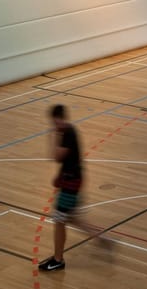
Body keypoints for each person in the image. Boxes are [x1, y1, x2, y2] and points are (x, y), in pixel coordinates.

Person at [38, 104, 104, 272]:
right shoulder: (70, 130)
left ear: (59, 118)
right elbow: (68, 160)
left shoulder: (66, 133)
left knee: (60, 220)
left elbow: (57, 157)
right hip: (72, 179)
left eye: (55, 121)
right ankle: (100, 237)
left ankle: (58, 260)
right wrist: (59, 177)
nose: (54, 124)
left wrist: (52, 137)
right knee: (71, 217)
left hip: (71, 182)